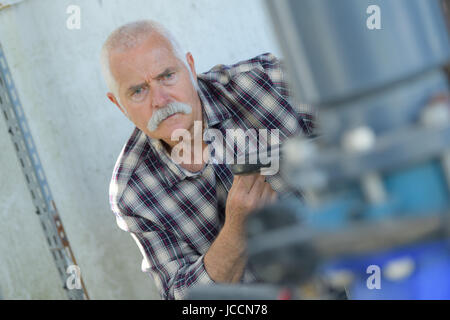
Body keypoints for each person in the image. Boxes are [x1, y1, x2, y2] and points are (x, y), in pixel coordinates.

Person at [101, 20, 314, 300]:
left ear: (190, 67)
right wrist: (236, 231)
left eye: (167, 76)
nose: (160, 99)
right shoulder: (133, 192)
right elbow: (187, 300)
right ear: (119, 104)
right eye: (138, 91)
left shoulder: (266, 81)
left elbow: (365, 131)